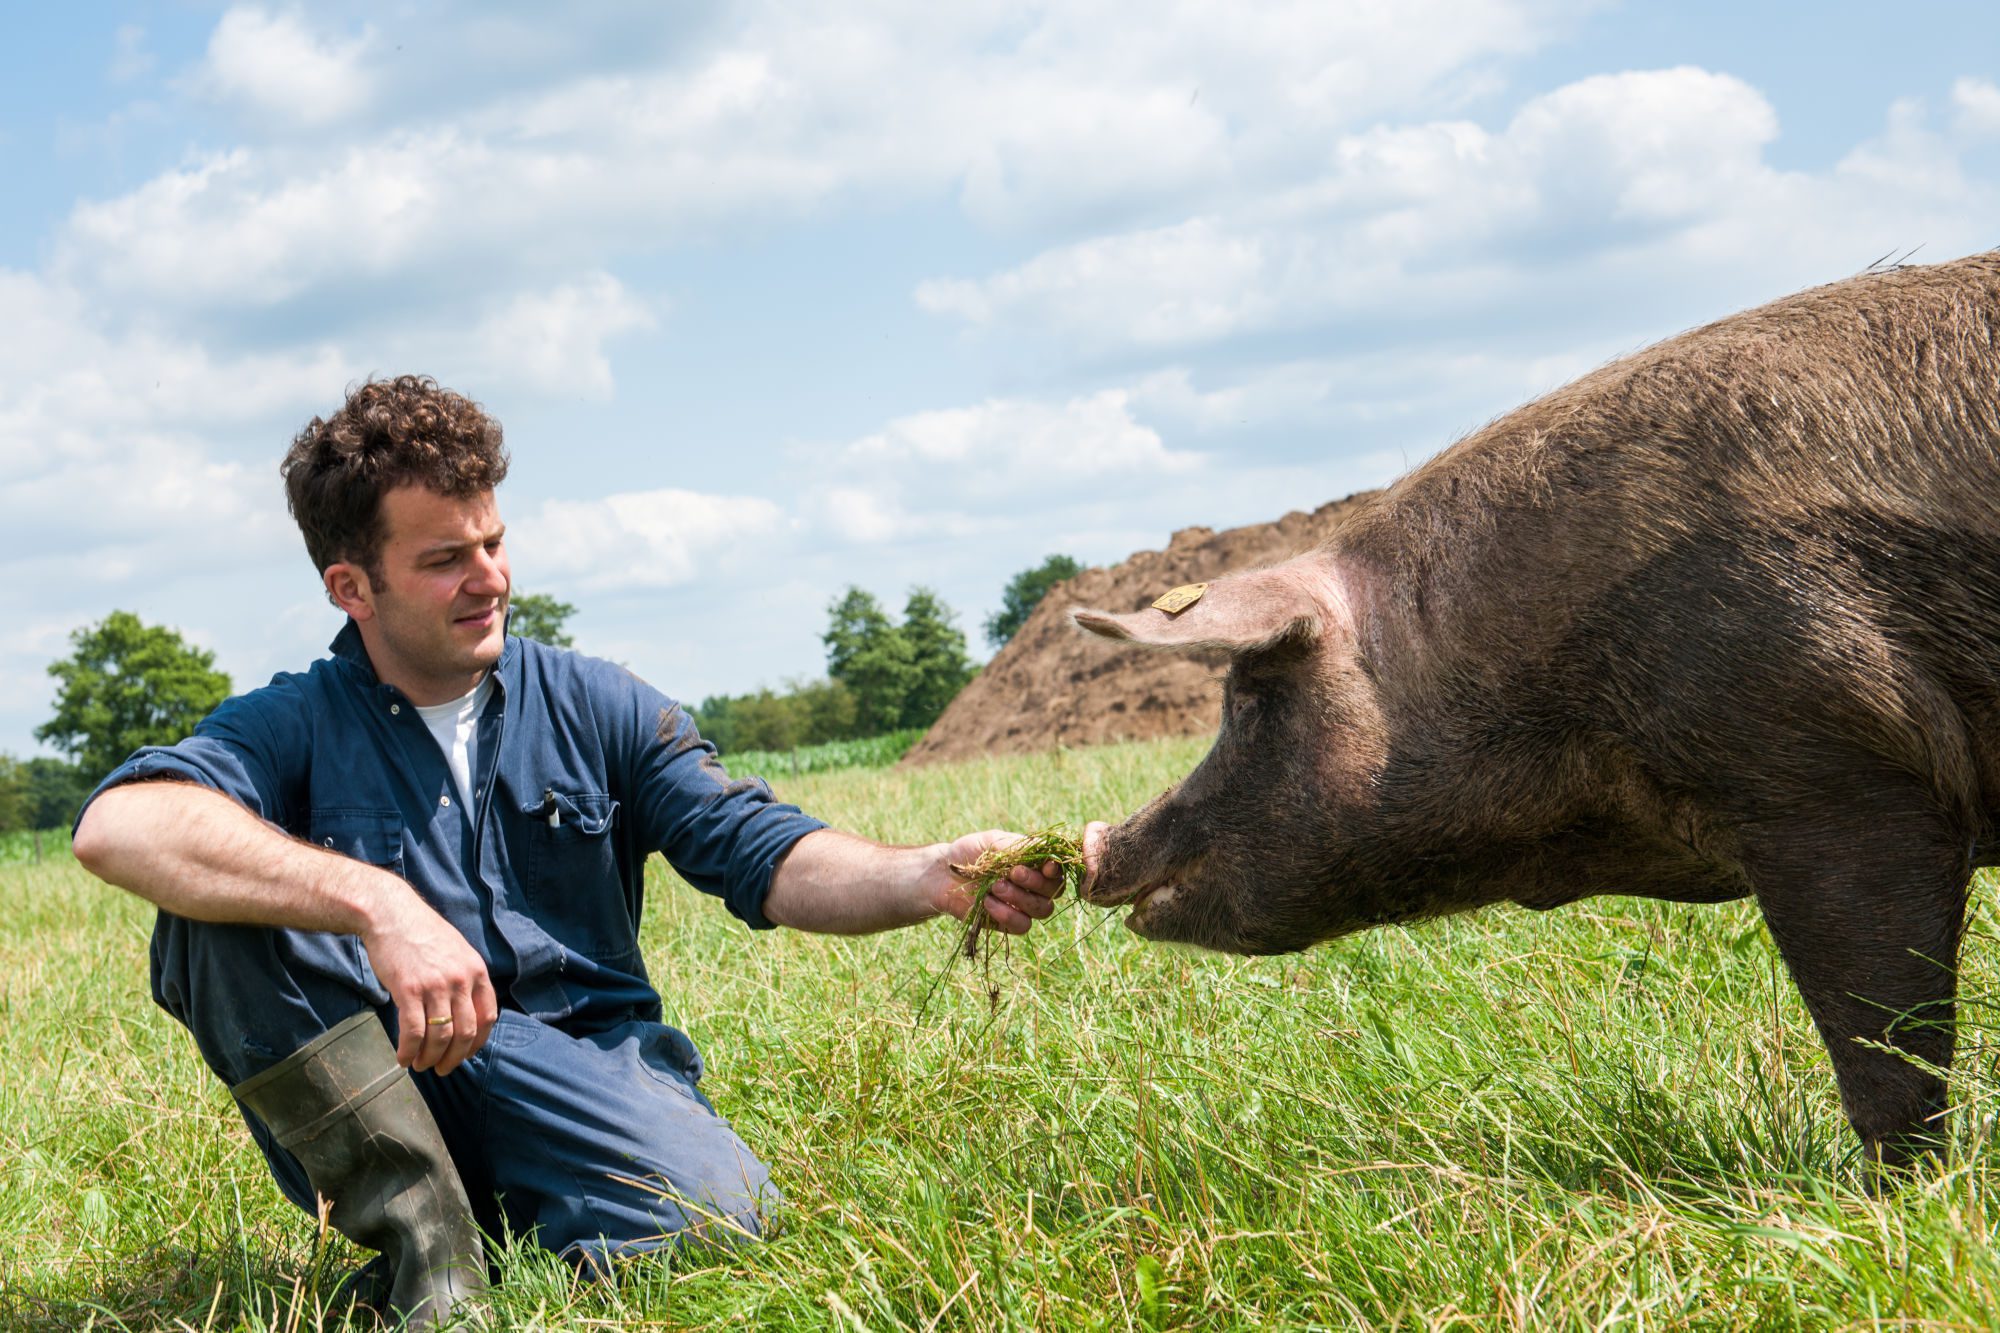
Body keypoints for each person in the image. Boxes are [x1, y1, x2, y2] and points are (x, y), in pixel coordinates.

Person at [71, 376, 1067, 1330]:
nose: (491, 578)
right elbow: (122, 826)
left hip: (580, 1069)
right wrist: (380, 905)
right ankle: (435, 1268)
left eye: (494, 542)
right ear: (351, 586)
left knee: (724, 1225)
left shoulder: (595, 701)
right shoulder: (293, 722)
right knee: (213, 900)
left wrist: (924, 875)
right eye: (444, 560)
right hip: (396, 1076)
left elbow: (756, 847)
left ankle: (544, 1228)